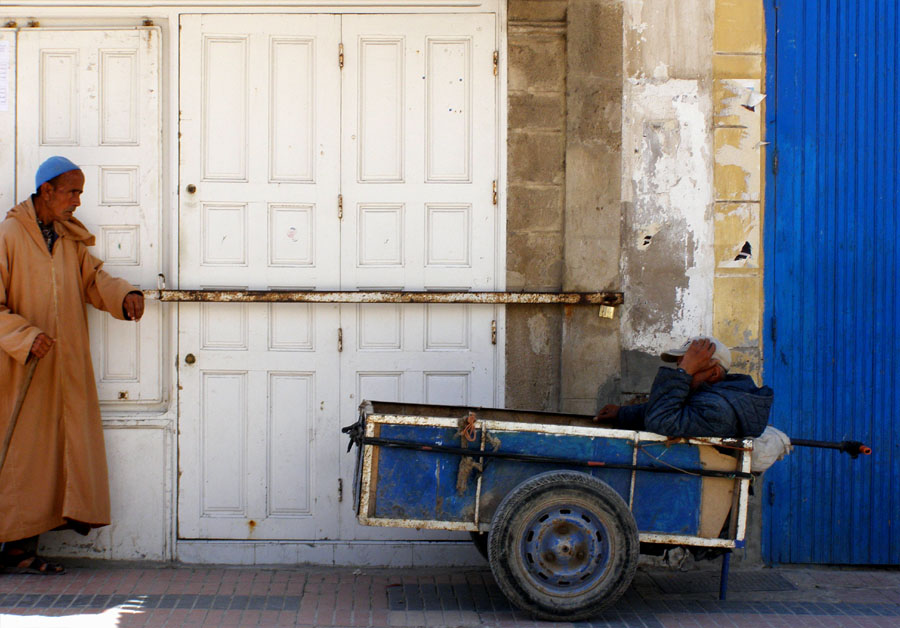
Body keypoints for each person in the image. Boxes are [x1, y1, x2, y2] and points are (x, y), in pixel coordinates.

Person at [0, 156, 144, 574]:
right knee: (22, 458)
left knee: (55, 456)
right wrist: (26, 337)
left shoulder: (65, 239)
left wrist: (125, 294)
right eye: (72, 191)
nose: (78, 201)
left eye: (80, 192)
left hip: (64, 366)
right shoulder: (8, 235)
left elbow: (93, 280)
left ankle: (23, 550)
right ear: (46, 191)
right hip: (23, 369)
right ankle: (16, 548)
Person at [595, 336, 772, 438]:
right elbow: (671, 408)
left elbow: (661, 420)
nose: (683, 372)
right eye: (680, 367)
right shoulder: (708, 395)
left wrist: (684, 371)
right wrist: (621, 413)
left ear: (713, 374)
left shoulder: (717, 410)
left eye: (689, 367)